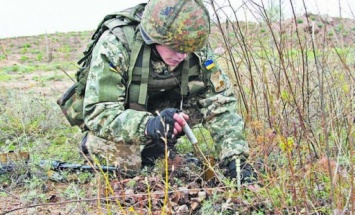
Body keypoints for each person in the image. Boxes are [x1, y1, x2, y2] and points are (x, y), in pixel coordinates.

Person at [75, 0, 256, 184]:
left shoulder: (192, 44)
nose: (182, 55)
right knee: (127, 168)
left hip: (160, 113)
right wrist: (150, 125)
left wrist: (236, 159)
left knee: (160, 157)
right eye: (176, 48)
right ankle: (94, 145)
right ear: (153, 37)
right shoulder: (116, 44)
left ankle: (157, 145)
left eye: (188, 49)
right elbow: (99, 112)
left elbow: (219, 101)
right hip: (121, 116)